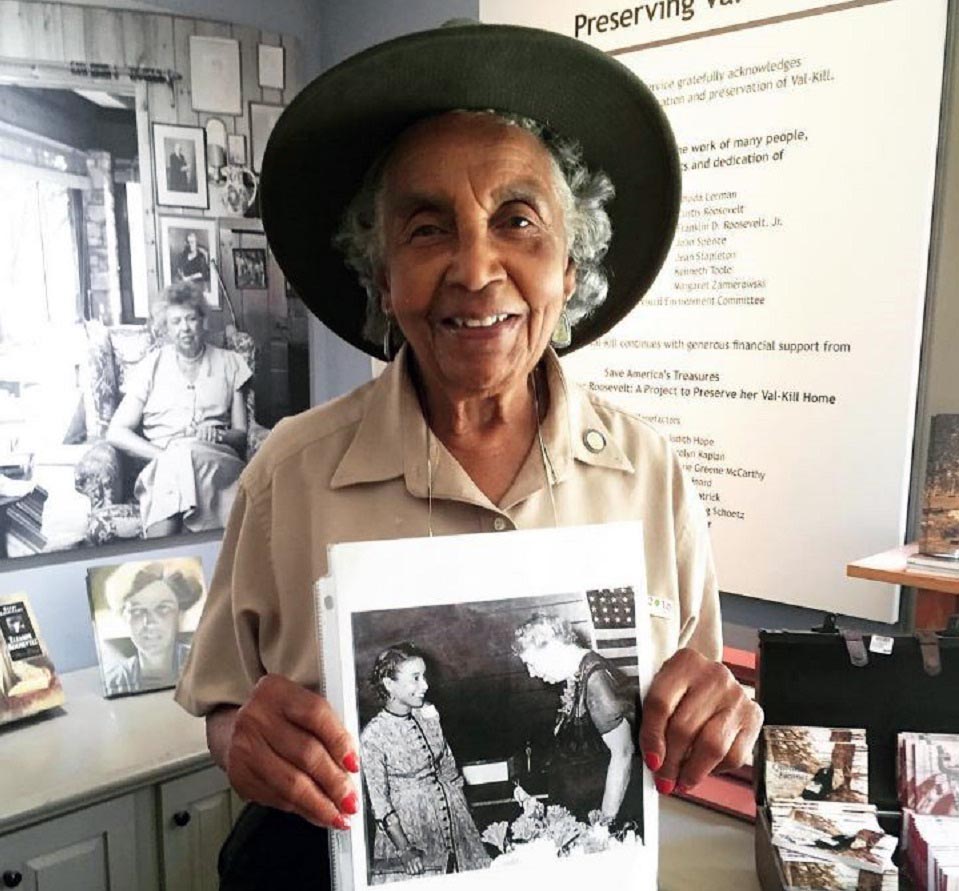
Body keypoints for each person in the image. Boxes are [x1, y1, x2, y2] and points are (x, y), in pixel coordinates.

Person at [174, 22, 763, 889]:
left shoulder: (648, 473)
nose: (475, 268)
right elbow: (224, 708)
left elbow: (691, 690)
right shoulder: (288, 473)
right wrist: (241, 739)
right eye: (425, 230)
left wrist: (717, 711)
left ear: (570, 266)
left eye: (516, 221)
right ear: (381, 279)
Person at [106, 282, 252, 538]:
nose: (184, 328)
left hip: (216, 461)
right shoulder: (150, 366)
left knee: (186, 460)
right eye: (175, 322)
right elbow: (116, 432)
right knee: (177, 462)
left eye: (191, 319)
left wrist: (219, 435)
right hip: (164, 464)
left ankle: (162, 565)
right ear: (165, 328)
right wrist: (163, 455)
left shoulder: (231, 362)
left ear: (202, 321)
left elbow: (241, 433)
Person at [360, 643, 490, 881]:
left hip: (454, 818)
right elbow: (379, 802)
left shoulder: (428, 713)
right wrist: (405, 850)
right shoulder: (373, 736)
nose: (425, 685)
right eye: (415, 678)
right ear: (390, 685)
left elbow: (448, 766)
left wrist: (464, 812)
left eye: (424, 676)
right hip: (411, 829)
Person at [513, 614, 641, 827]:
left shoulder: (595, 681)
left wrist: (604, 825)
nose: (532, 674)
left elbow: (624, 754)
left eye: (532, 664)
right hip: (579, 809)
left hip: (605, 818)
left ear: (552, 647)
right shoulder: (576, 674)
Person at [103, 562, 203, 695]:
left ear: (180, 616)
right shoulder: (114, 682)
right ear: (124, 618)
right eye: (137, 611)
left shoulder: (204, 667)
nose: (149, 622)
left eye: (163, 608)